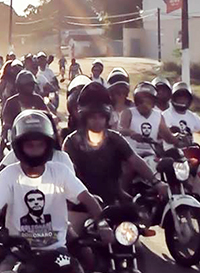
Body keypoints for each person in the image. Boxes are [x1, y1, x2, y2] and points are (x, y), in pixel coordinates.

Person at [0, 110, 111, 273]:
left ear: (48, 145)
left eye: (39, 145)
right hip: (20, 251)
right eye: (29, 145)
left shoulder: (60, 171)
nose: (34, 150)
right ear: (18, 146)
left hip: (58, 250)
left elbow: (87, 199)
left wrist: (103, 224)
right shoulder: (7, 175)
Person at [63, 82, 168, 215]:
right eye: (92, 117)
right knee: (72, 233)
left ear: (106, 118)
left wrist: (156, 182)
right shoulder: (71, 142)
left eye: (101, 117)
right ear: (84, 118)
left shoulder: (114, 138)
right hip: (81, 205)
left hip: (113, 201)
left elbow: (135, 160)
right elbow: (66, 176)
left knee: (138, 224)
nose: (97, 121)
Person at [119, 82, 179, 158]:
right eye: (141, 101)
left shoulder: (158, 116)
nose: (144, 104)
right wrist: (131, 133)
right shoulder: (128, 112)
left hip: (151, 155)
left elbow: (168, 136)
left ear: (154, 102)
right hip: (131, 154)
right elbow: (121, 129)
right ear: (136, 102)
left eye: (148, 101)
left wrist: (180, 140)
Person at [1, 70, 49, 135]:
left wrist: (52, 117)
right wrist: (7, 123)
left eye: (32, 85)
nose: (31, 87)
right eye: (28, 85)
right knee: (5, 137)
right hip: (17, 133)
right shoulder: (11, 102)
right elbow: (6, 117)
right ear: (20, 86)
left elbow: (46, 113)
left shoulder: (38, 99)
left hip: (37, 132)